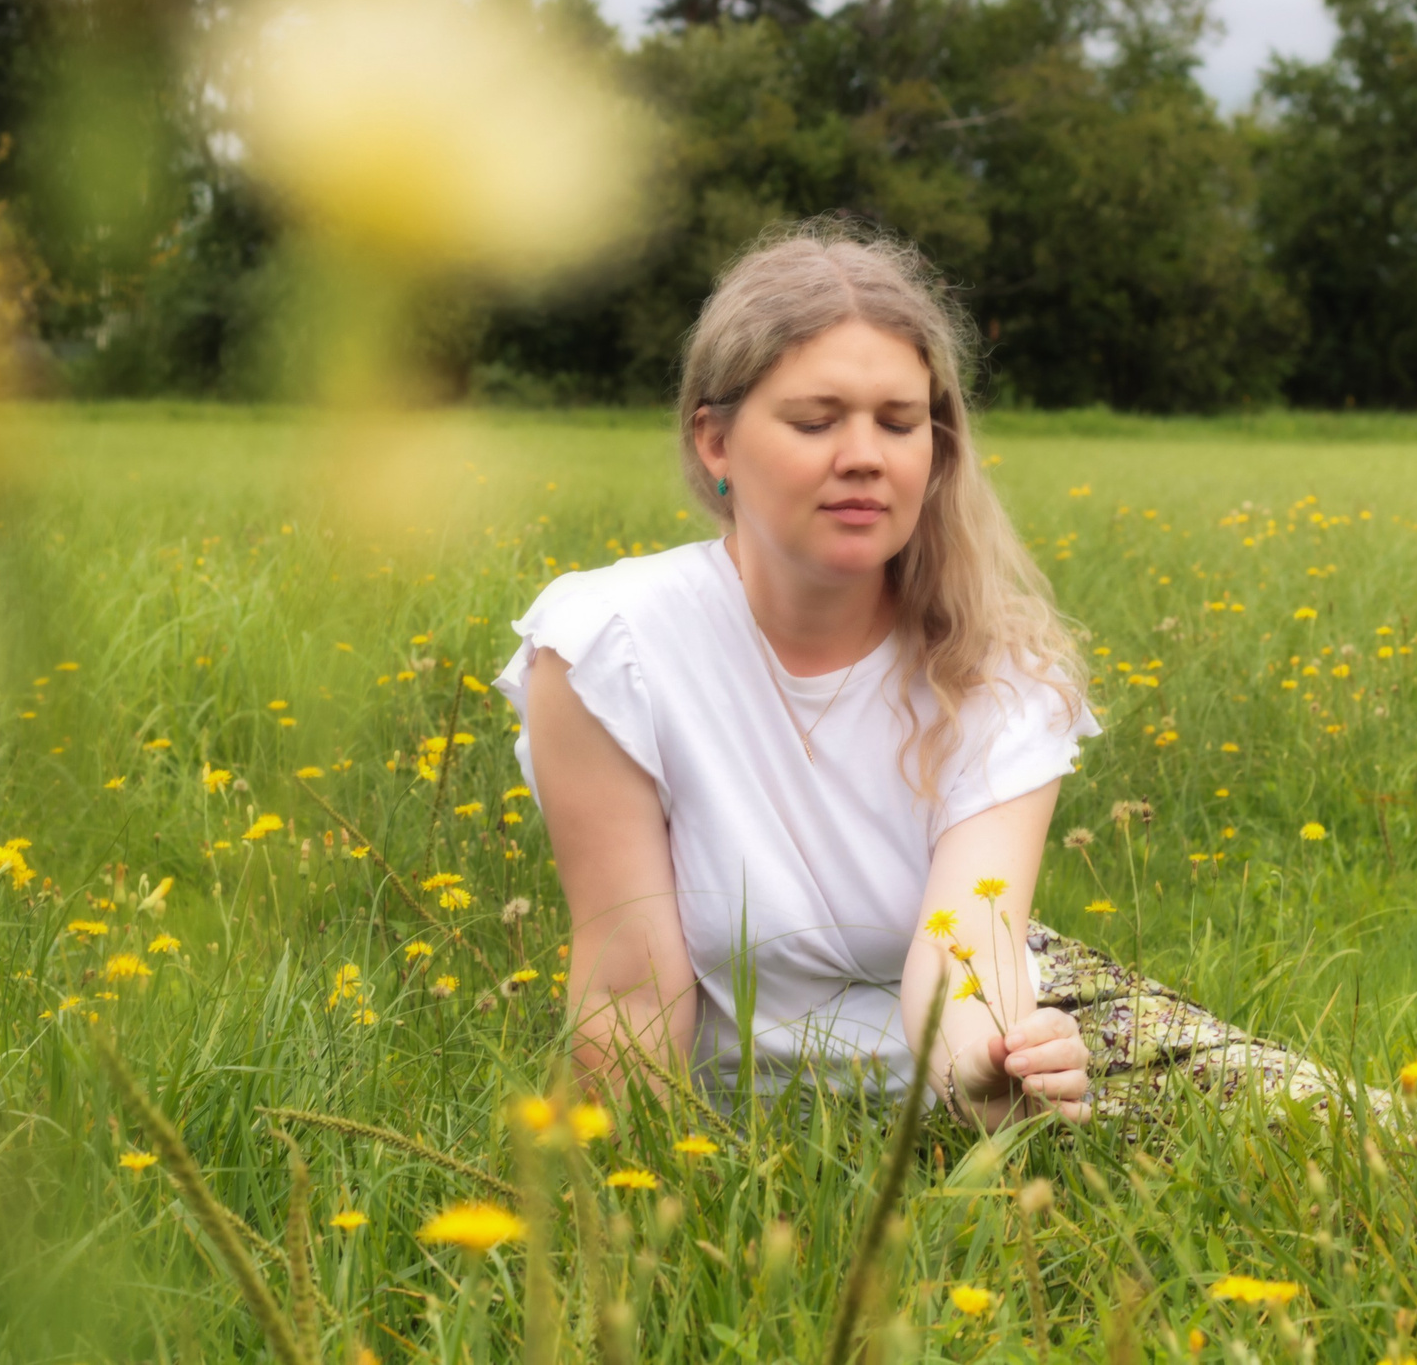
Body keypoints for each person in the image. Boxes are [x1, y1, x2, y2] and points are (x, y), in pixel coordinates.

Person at [494, 227, 1360, 1127]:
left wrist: (994, 1072)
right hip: (739, 1111)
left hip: (997, 1057)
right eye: (816, 420)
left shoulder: (996, 664)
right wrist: (631, 1206)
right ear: (714, 441)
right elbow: (627, 990)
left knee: (1371, 1130)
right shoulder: (608, 647)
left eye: (899, 423)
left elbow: (966, 953)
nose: (865, 454)